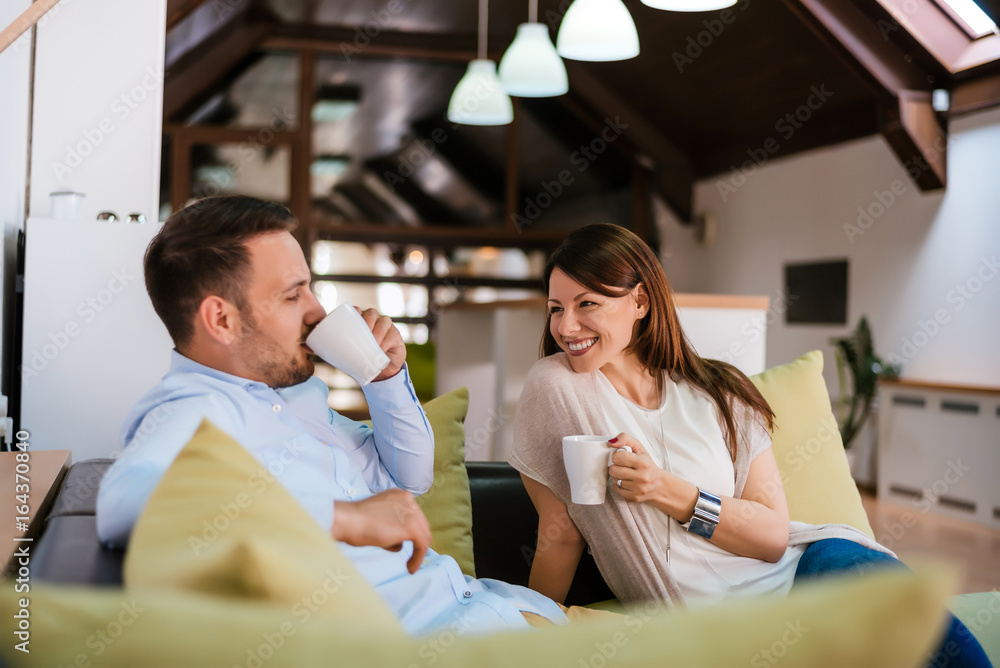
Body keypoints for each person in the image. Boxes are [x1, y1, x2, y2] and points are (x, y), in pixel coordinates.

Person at [510, 223, 989, 665]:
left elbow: (771, 538)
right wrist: (525, 635)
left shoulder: (719, 390)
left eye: (587, 303)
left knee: (931, 639)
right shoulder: (558, 386)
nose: (566, 327)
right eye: (556, 308)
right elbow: (561, 534)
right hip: (719, 626)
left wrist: (664, 489)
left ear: (640, 302)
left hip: (808, 568)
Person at [96, 195, 567, 637]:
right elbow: (125, 505)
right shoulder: (194, 410)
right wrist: (341, 518)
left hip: (499, 606)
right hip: (458, 639)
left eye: (310, 288)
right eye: (291, 295)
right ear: (222, 320)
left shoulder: (295, 395)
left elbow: (412, 475)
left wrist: (383, 379)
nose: (317, 310)